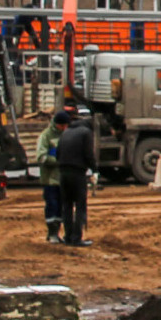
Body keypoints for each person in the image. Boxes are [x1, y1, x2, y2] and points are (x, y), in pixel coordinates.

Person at [55, 106, 96, 247]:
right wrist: (95, 169)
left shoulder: (65, 133)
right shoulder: (86, 132)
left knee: (66, 206)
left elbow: (58, 154)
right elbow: (89, 154)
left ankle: (68, 237)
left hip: (63, 173)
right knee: (80, 206)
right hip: (77, 174)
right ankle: (77, 238)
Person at [35, 106, 70, 242]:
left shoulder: (66, 134)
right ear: (56, 124)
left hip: (62, 179)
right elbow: (41, 157)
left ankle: (58, 232)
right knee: (52, 205)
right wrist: (58, 161)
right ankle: (52, 233)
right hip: (50, 180)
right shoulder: (46, 136)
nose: (64, 128)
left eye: (66, 125)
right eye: (62, 125)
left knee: (61, 206)